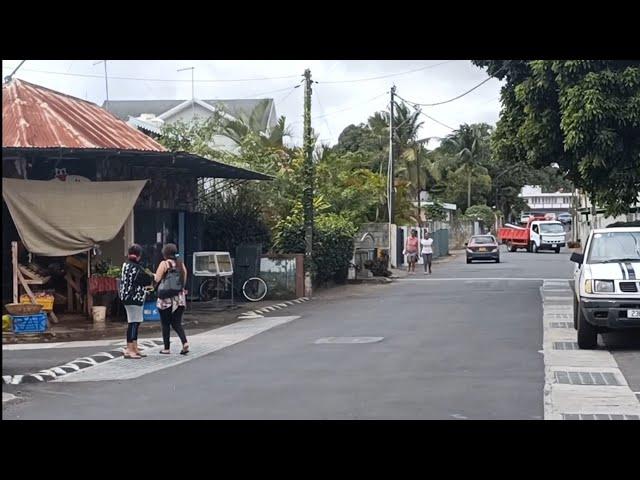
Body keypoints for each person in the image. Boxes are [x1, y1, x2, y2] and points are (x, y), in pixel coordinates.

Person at [119, 244, 154, 359]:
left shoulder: (125, 265)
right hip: (134, 298)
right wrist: (153, 276)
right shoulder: (137, 268)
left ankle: (134, 347)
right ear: (139, 256)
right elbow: (147, 280)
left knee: (135, 322)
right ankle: (130, 349)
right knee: (133, 323)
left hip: (127, 297)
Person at [154, 243, 189, 355]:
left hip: (166, 299)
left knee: (165, 323)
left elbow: (157, 278)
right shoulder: (180, 264)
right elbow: (184, 280)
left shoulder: (164, 264)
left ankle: (166, 348)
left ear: (165, 253)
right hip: (179, 298)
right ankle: (184, 342)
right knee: (177, 322)